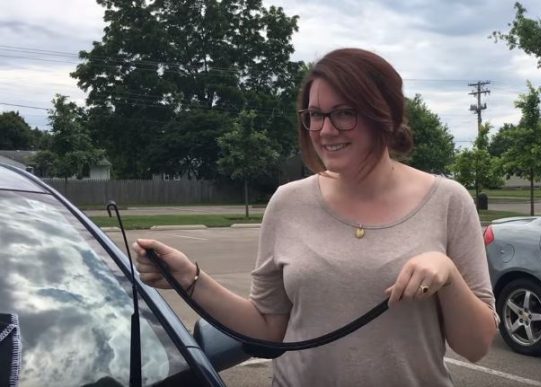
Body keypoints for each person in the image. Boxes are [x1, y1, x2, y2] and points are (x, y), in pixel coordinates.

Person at [133, 47, 498, 386]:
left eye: (343, 113)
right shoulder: (287, 203)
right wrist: (191, 280)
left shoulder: (448, 201)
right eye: (315, 115)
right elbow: (267, 328)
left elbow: (477, 345)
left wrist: (447, 275)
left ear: (383, 115)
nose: (325, 130)